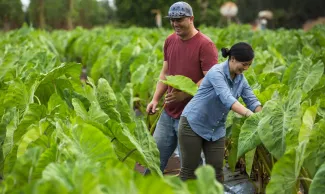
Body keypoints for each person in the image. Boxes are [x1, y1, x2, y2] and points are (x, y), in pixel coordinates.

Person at [145, 1, 218, 174]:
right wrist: (155, 99)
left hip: (192, 116)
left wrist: (184, 95)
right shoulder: (170, 40)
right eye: (172, 20)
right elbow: (165, 72)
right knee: (153, 161)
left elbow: (211, 79)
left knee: (190, 168)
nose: (176, 24)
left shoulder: (205, 45)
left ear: (191, 19)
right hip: (169, 112)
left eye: (180, 19)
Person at [178, 42, 262, 182]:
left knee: (217, 172)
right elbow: (227, 99)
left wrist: (262, 116)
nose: (246, 68)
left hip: (215, 129)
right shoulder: (216, 72)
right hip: (193, 124)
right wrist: (251, 116)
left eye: (249, 65)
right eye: (244, 64)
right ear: (233, 58)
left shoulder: (241, 79)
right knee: (189, 171)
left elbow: (252, 101)